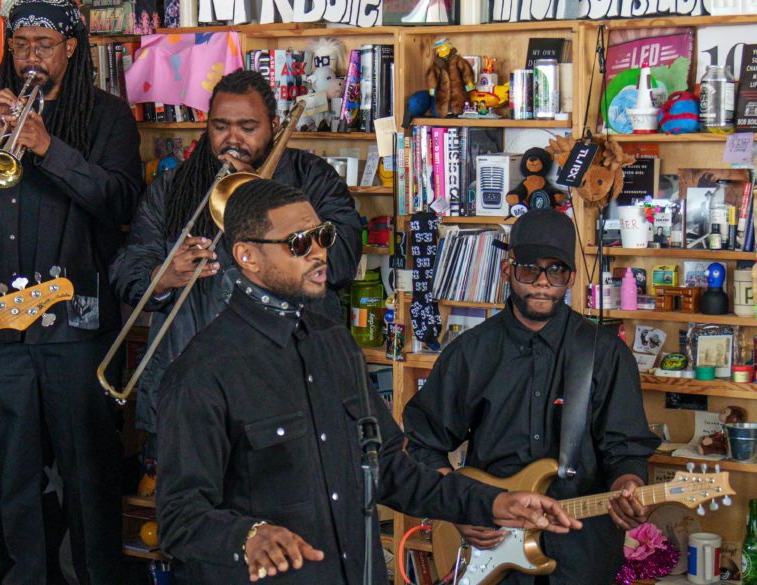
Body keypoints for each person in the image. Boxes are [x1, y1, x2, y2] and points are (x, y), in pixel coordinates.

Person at [157, 179, 582, 584]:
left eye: (322, 236)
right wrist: (246, 537)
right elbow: (180, 517)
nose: (319, 254)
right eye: (299, 244)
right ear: (247, 256)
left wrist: (491, 502)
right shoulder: (203, 373)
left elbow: (392, 469)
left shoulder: (336, 344)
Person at [0, 0, 143, 582]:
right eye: (22, 45)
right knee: (13, 475)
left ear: (71, 49)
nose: (31, 57)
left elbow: (120, 201)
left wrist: (47, 147)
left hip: (78, 329)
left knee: (90, 477)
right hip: (0, 329)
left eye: (44, 46)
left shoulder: (106, 117)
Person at [402, 208, 660, 584]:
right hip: (492, 548)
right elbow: (423, 442)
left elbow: (626, 450)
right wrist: (459, 509)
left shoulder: (604, 353)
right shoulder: (470, 352)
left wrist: (629, 489)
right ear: (508, 272)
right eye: (528, 270)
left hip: (583, 556)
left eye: (555, 270)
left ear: (570, 278)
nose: (542, 283)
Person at [110, 69, 360, 452]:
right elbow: (128, 268)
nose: (232, 139)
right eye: (221, 126)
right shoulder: (174, 187)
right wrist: (162, 277)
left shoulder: (312, 179)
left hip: (287, 378)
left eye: (248, 126)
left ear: (274, 126)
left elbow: (340, 262)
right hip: (192, 379)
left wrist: (271, 218)